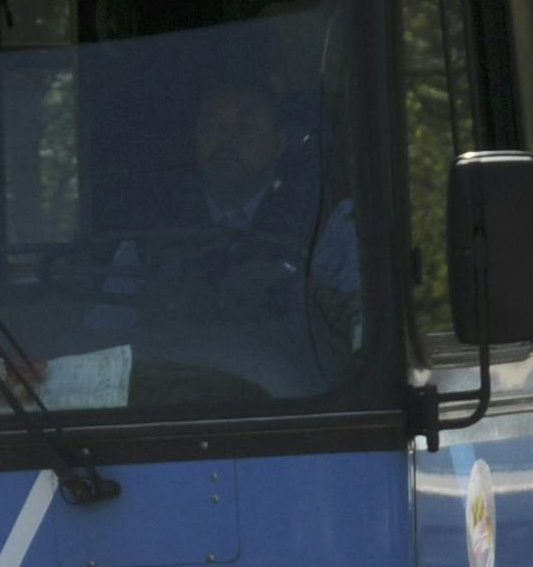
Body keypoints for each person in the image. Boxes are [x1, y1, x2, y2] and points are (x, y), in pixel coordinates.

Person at [68, 71, 369, 395]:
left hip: (296, 409)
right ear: (195, 138)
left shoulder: (326, 224)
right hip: (171, 401)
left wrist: (291, 292)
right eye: (212, 126)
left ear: (278, 142)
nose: (226, 139)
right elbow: (105, 339)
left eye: (244, 126)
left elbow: (358, 334)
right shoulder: (152, 233)